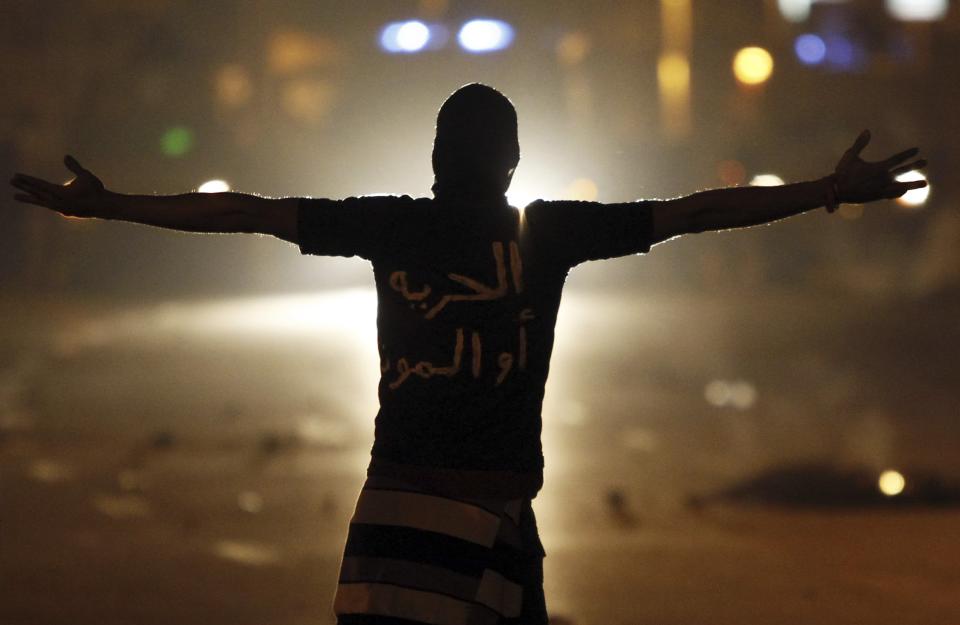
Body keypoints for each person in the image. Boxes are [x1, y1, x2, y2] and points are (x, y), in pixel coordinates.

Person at [9, 83, 927, 625]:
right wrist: (826, 191)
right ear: (515, 161)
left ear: (437, 155)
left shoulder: (389, 226)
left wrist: (114, 205)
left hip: (396, 506)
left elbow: (238, 209)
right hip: (493, 511)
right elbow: (697, 213)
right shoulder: (549, 234)